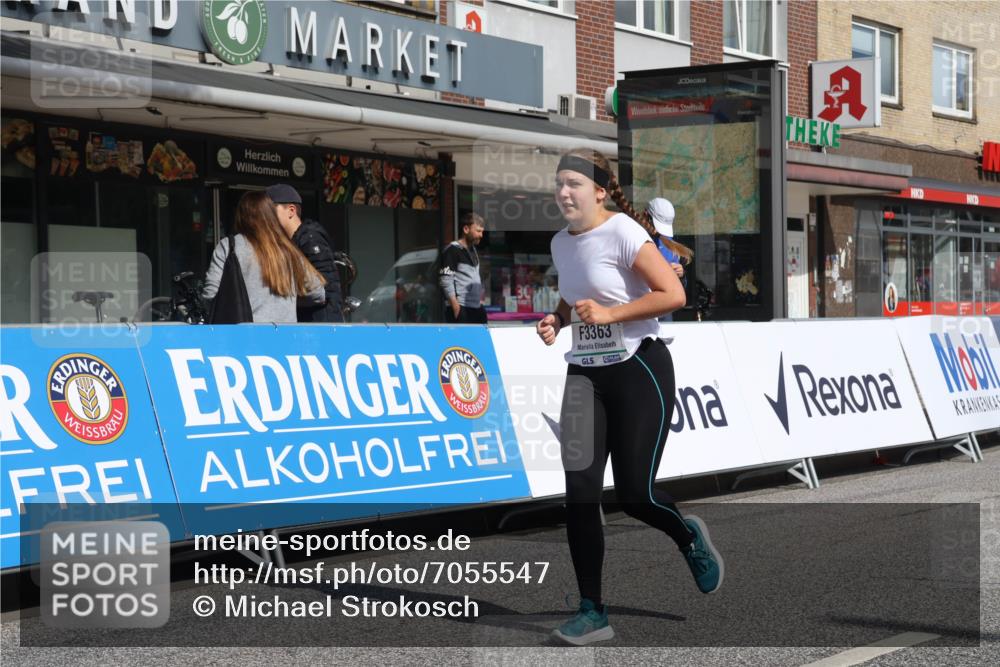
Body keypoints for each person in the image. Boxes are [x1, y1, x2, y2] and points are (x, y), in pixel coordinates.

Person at [536, 148, 723, 646]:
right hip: (584, 374)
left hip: (639, 367)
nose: (563, 192)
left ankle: (688, 537)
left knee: (635, 494)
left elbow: (673, 295)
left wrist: (611, 316)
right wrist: (558, 318)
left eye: (574, 183)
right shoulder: (560, 243)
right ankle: (592, 611)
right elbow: (576, 292)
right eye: (559, 184)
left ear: (599, 191)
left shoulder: (624, 232)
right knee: (579, 494)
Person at [203, 191, 325, 323]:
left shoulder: (229, 246)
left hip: (243, 337)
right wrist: (288, 300)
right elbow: (318, 293)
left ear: (240, 216)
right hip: (285, 337)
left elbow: (211, 295)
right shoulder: (288, 249)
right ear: (271, 215)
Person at [267, 184, 346, 323]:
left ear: (291, 210)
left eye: (270, 210)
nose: (266, 217)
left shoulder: (310, 238)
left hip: (319, 327)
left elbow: (326, 290)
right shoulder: (290, 242)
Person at [646, 198, 693, 322]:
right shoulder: (632, 240)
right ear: (646, 216)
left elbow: (681, 289)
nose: (658, 233)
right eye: (657, 225)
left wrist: (681, 275)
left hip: (664, 313)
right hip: (639, 309)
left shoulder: (670, 246)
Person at [439, 212, 487, 324]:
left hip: (475, 307)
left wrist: (479, 303)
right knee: (460, 342)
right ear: (466, 229)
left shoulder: (473, 250)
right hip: (461, 308)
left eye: (482, 232)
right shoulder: (452, 250)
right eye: (478, 231)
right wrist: (456, 307)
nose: (481, 235)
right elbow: (445, 280)